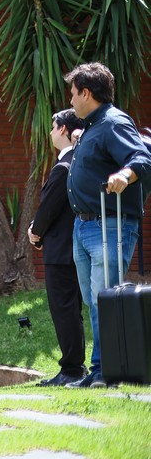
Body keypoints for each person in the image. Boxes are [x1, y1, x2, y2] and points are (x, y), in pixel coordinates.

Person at [63, 62, 151, 389]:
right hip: (85, 225)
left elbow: (142, 159)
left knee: (105, 301)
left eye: (73, 94)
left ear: (87, 93)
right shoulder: (91, 126)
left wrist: (123, 176)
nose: (70, 101)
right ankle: (99, 370)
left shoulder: (113, 122)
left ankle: (107, 373)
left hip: (109, 225)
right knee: (95, 302)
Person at [29, 108, 87, 387]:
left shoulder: (65, 166)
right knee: (71, 309)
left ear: (63, 129)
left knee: (64, 309)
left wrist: (35, 232)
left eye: (53, 127)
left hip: (61, 251)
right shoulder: (78, 162)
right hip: (70, 249)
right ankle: (75, 366)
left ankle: (72, 369)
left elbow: (49, 208)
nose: (51, 132)